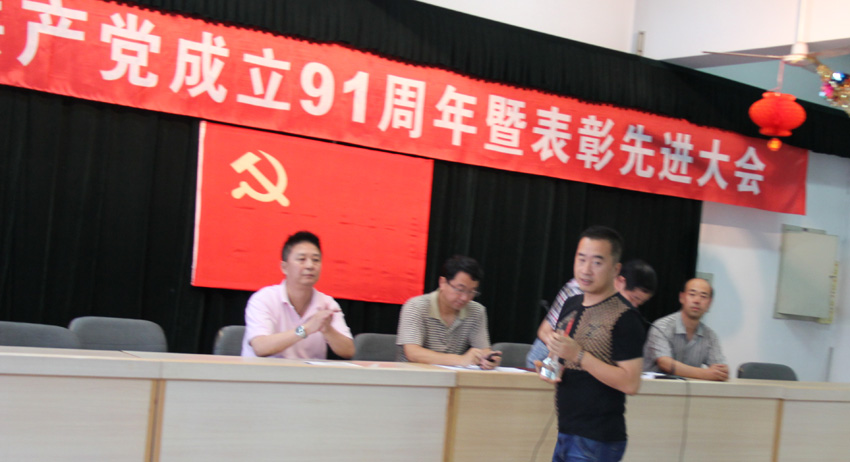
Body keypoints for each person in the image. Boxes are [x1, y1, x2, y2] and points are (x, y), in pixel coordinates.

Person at [535, 226, 645, 462]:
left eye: (597, 262)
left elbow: (631, 383)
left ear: (615, 269)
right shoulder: (572, 304)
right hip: (566, 430)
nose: (586, 269)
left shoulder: (625, 316)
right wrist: (550, 367)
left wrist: (579, 355)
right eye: (581, 258)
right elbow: (566, 363)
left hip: (598, 438)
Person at [241, 231, 355, 359]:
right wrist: (305, 329)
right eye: (302, 259)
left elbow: (349, 351)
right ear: (284, 267)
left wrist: (328, 330)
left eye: (316, 260)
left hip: (307, 372)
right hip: (263, 371)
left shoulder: (327, 304)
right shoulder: (263, 299)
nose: (310, 266)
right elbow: (260, 347)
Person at [526, 259, 657, 368]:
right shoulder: (580, 290)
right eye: (634, 298)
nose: (634, 306)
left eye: (640, 303)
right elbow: (545, 331)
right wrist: (563, 350)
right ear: (620, 281)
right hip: (547, 361)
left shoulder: (622, 312)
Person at [395, 255, 501, 369]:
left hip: (453, 378)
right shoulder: (416, 306)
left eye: (471, 292)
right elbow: (413, 353)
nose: (465, 298)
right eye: (460, 290)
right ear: (442, 282)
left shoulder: (476, 311)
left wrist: (488, 359)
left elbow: (483, 349)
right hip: (414, 376)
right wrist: (461, 360)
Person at [643, 278, 728, 381]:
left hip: (690, 390)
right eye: (692, 294)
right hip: (654, 389)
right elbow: (665, 364)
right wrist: (705, 374)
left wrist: (720, 371)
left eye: (703, 296)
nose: (697, 301)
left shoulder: (710, 336)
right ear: (682, 297)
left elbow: (722, 371)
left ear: (709, 303)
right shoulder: (662, 327)